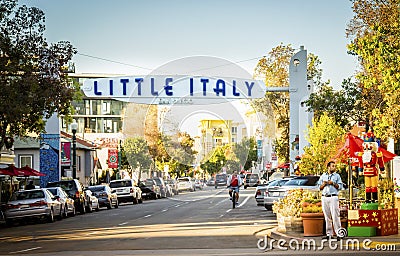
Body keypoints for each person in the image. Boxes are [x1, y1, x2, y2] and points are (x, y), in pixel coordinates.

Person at [317, 161, 343, 239]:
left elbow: (340, 186)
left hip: (333, 197)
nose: (334, 167)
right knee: (327, 216)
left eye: (334, 166)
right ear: (328, 167)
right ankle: (329, 234)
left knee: (335, 215)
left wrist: (333, 183)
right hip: (325, 197)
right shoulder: (323, 176)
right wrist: (324, 184)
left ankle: (339, 233)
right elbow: (319, 187)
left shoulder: (337, 176)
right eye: (332, 166)